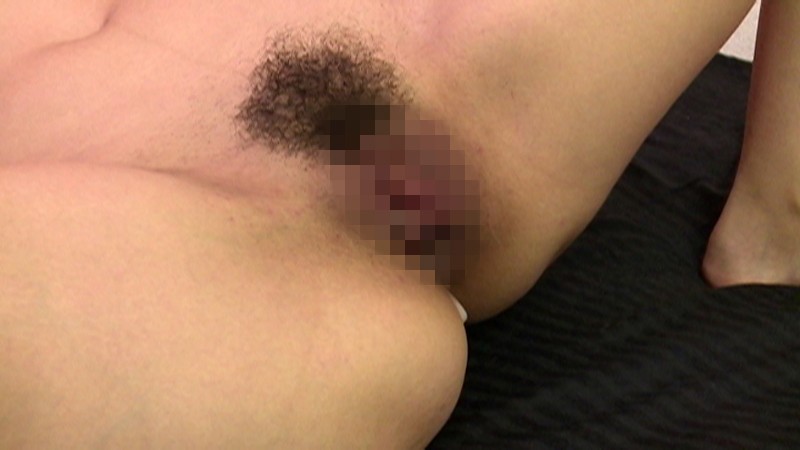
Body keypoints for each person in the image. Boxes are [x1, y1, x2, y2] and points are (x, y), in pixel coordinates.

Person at [0, 0, 795, 447]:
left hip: (277, 189)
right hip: (263, 192)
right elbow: (769, 230)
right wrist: (768, 232)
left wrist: (770, 230)